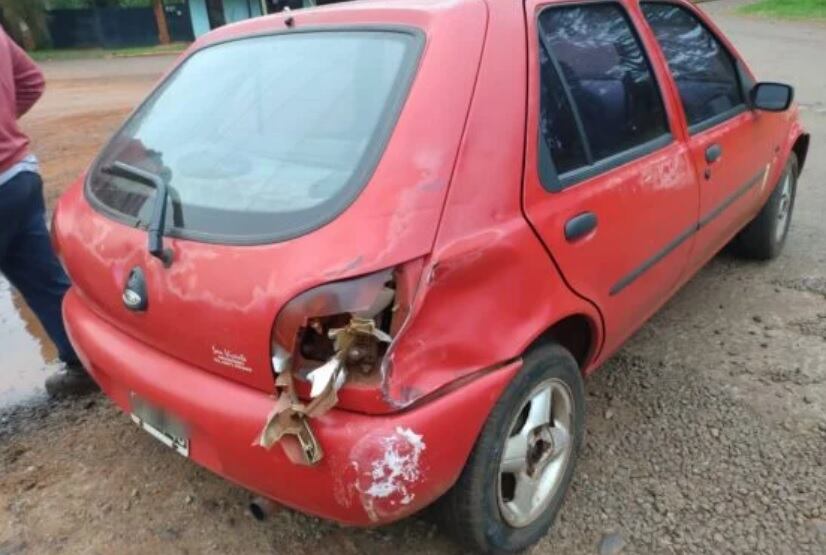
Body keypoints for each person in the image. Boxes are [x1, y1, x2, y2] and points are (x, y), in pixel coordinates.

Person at [0, 27, 96, 397]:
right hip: (18, 176)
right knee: (44, 278)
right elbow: (30, 80)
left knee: (43, 277)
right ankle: (83, 363)